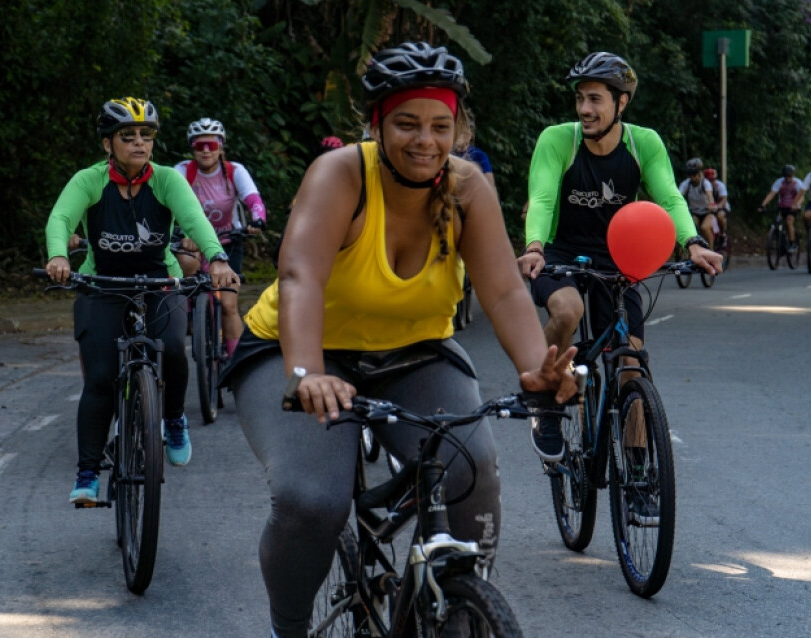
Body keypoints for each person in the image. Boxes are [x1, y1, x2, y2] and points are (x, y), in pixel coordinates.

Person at [220, 42, 577, 638]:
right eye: (407, 124)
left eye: (441, 126)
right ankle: (290, 627)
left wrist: (536, 365)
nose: (425, 141)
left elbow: (506, 293)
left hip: (414, 353)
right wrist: (307, 373)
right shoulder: (341, 175)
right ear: (377, 124)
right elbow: (299, 276)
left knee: (473, 468)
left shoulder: (466, 188)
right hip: (301, 351)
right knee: (312, 500)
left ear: (459, 128)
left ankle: (458, 604)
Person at [517, 51, 722, 468]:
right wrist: (535, 246)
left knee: (631, 361)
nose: (585, 109)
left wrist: (693, 243)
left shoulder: (642, 143)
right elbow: (540, 197)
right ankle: (546, 397)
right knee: (569, 308)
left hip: (619, 259)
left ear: (621, 103)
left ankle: (639, 466)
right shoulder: (559, 139)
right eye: (580, 99)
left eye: (595, 99)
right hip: (559, 252)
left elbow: (668, 197)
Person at [44, 97, 238, 504]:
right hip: (102, 283)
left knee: (172, 351)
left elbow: (195, 220)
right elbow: (61, 218)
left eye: (145, 136)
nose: (138, 143)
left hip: (157, 280)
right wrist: (59, 255)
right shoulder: (89, 180)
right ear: (107, 144)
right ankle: (88, 475)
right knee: (98, 380)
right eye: (127, 136)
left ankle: (172, 419)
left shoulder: (167, 179)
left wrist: (217, 257)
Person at [173, 117, 267, 357]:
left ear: (221, 147)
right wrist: (181, 233)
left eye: (212, 145)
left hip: (227, 243)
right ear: (191, 147)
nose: (205, 151)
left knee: (228, 305)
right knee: (186, 261)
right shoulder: (182, 172)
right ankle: (189, 306)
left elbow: (252, 199)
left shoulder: (235, 171)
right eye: (199, 145)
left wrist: (257, 220)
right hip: (193, 243)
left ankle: (235, 363)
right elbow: (169, 204)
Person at [758, 164, 805, 253]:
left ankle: (792, 243)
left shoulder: (797, 183)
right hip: (782, 206)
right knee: (777, 221)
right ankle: (779, 240)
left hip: (793, 207)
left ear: (793, 175)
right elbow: (772, 194)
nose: (788, 178)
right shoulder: (779, 182)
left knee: (789, 221)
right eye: (786, 176)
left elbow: (802, 197)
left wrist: (797, 204)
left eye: (789, 176)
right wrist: (762, 205)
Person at [452, 115, 497, 198]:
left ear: (468, 136)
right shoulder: (447, 154)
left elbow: (491, 188)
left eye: (458, 133)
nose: (453, 136)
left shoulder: (479, 156)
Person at [678, 157, 719, 246]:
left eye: (694, 174)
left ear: (699, 173)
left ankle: (711, 250)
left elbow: (710, 195)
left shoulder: (705, 183)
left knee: (704, 227)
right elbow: (678, 195)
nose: (692, 177)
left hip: (707, 212)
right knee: (690, 228)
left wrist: (711, 204)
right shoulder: (686, 184)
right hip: (695, 212)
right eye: (690, 175)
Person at [703, 166, 729, 238]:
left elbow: (724, 199)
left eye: (713, 179)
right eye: (709, 180)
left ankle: (723, 234)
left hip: (721, 207)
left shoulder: (720, 185)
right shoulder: (703, 186)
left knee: (720, 216)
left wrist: (718, 206)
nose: (711, 182)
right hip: (708, 208)